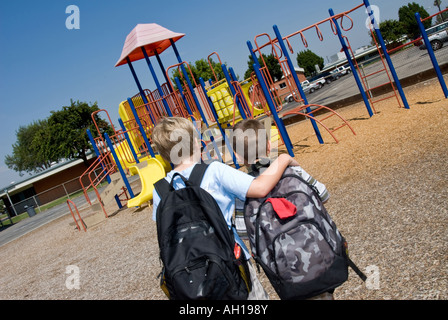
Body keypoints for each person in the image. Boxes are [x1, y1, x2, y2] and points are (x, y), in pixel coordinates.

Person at [151, 116, 299, 300]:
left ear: (164, 153)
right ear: (195, 143)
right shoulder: (214, 171)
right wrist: (283, 159)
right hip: (231, 263)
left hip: (188, 277)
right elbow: (260, 187)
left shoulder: (159, 189)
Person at [231, 118, 333, 300]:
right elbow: (324, 195)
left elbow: (243, 231)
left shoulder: (244, 191)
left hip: (282, 267)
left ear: (238, 156)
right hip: (317, 255)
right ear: (269, 146)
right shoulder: (293, 171)